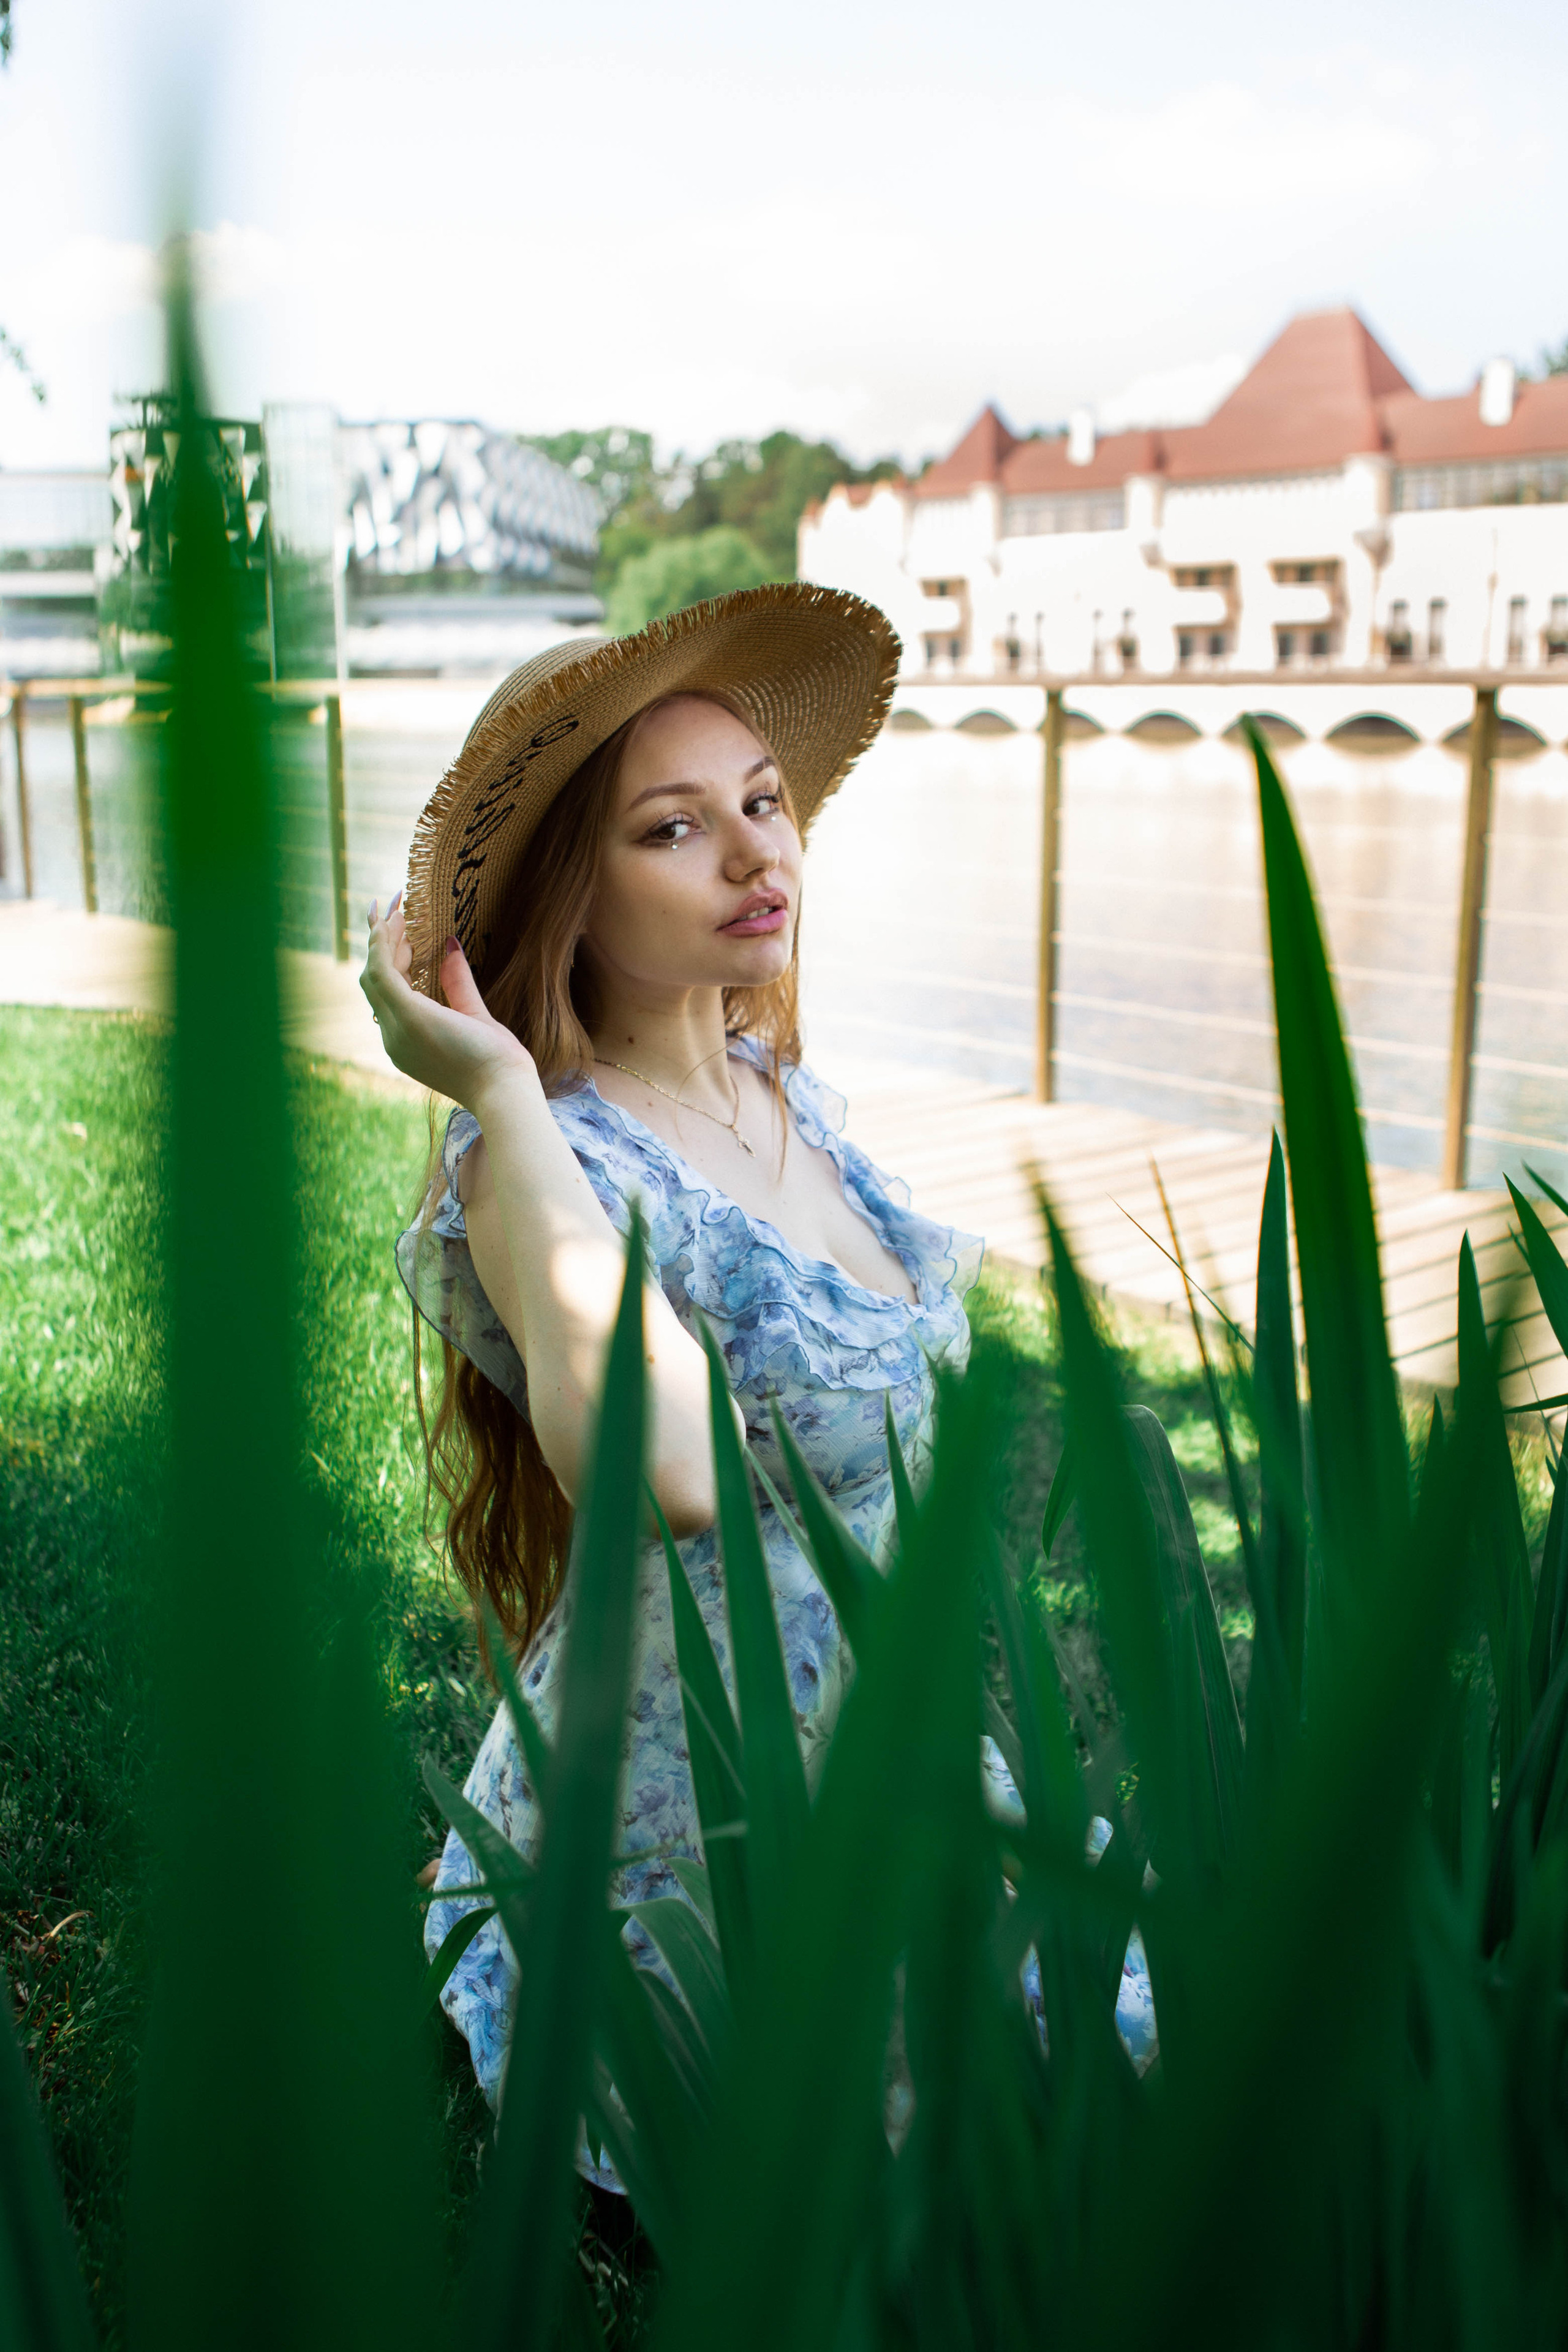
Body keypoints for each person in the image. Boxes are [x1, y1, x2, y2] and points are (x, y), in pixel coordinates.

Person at [360, 586, 1153, 2156]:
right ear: (568, 892)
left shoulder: (785, 1102)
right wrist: (500, 1092)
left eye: (764, 803)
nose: (752, 854)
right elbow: (665, 1472)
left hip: (887, 1758)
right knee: (1081, 2100)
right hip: (707, 1821)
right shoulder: (545, 1161)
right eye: (672, 828)